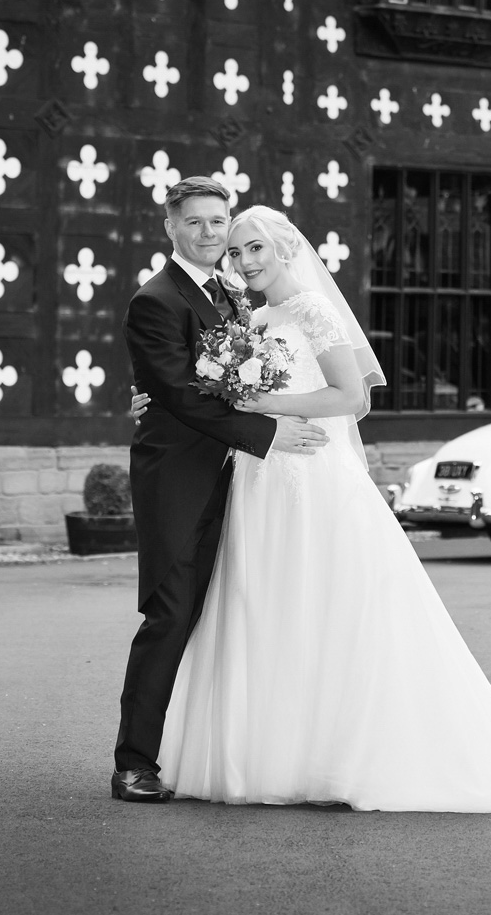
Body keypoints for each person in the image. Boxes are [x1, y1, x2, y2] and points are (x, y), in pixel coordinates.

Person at [131, 205, 491, 812]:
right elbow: (193, 383)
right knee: (264, 609)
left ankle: (344, 755)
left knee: (331, 610)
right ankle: (260, 754)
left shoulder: (311, 310)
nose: (242, 258)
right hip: (258, 483)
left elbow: (352, 397)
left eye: (251, 245)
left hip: (309, 474)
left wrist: (262, 401)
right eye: (236, 251)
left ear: (288, 247)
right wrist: (158, 401)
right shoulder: (247, 312)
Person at [114, 178, 329, 803]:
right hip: (180, 481)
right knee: (171, 615)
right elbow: (179, 393)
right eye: (196, 223)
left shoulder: (235, 295)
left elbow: (225, 379)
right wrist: (267, 432)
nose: (210, 234)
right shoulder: (155, 299)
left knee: (235, 617)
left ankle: (243, 753)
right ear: (171, 228)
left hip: (242, 484)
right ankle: (133, 763)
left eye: (219, 222)